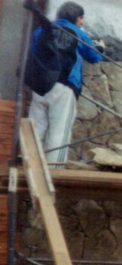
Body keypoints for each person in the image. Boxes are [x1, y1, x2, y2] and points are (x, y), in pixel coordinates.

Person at [28, 1, 104, 166]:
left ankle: (29, 165)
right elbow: (95, 57)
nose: (83, 22)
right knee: (59, 131)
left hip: (40, 85)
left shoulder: (42, 30)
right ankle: (54, 170)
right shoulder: (78, 33)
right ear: (76, 18)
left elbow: (33, 52)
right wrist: (101, 48)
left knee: (35, 129)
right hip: (64, 87)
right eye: (81, 18)